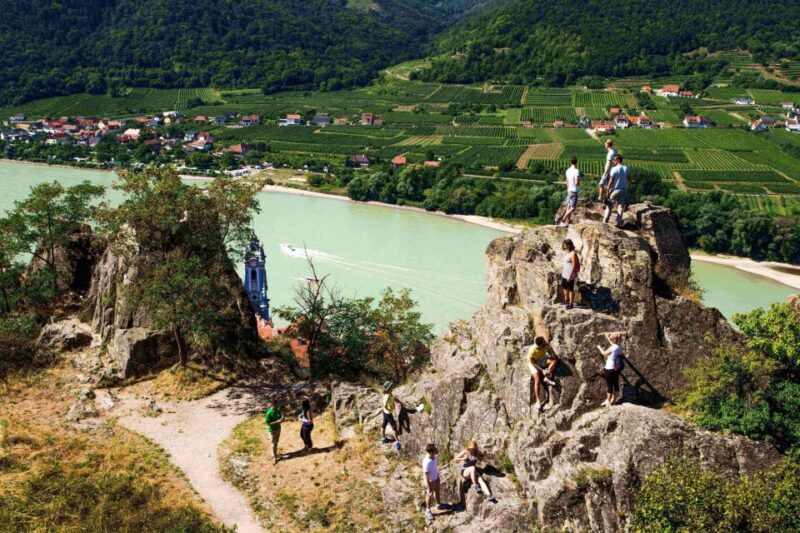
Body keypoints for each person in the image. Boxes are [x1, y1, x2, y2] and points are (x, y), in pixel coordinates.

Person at [527, 336, 559, 412]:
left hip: (542, 359)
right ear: (539, 345)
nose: (545, 343)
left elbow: (554, 356)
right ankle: (538, 401)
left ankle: (547, 378)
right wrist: (542, 370)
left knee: (554, 360)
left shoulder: (545, 345)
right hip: (533, 364)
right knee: (537, 380)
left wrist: (550, 348)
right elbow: (532, 362)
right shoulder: (532, 351)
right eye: (543, 343)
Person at [603, 154, 634, 227]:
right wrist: (632, 182)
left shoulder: (614, 169)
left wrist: (607, 191)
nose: (613, 161)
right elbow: (629, 179)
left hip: (615, 190)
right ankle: (618, 223)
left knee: (609, 205)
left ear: (618, 160)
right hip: (623, 190)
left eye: (614, 160)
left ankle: (605, 222)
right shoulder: (626, 168)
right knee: (620, 206)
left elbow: (611, 181)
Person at [597, 332, 624, 407]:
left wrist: (599, 347)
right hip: (616, 369)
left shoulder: (613, 347)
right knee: (615, 384)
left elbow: (604, 353)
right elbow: (614, 345)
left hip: (609, 368)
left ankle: (608, 401)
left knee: (609, 385)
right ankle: (614, 400)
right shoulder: (619, 347)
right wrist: (608, 338)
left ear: (613, 340)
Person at [422, 443, 443, 522]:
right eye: (435, 449)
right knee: (429, 494)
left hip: (436, 477)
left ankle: (438, 505)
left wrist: (437, 476)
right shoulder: (427, 462)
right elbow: (426, 474)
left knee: (437, 491)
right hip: (430, 480)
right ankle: (427, 510)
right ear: (431, 452)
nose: (437, 450)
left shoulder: (433, 456)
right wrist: (429, 485)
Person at [558, 158, 580, 226]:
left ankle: (567, 223)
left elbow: (567, 182)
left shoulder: (567, 171)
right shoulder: (576, 171)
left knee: (569, 206)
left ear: (570, 162)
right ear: (576, 163)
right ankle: (563, 219)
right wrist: (579, 182)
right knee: (573, 208)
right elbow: (576, 182)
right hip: (574, 190)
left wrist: (568, 189)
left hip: (569, 190)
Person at [561, 239, 580, 309]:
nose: (564, 246)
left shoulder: (573, 253)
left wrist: (570, 275)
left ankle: (571, 303)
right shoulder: (568, 253)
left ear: (569, 245)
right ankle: (566, 300)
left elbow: (573, 264)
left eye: (565, 245)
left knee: (570, 289)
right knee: (564, 287)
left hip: (570, 274)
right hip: (564, 274)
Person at [264, 400, 285, 464]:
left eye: (277, 405)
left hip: (278, 428)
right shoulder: (269, 413)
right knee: (273, 443)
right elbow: (268, 423)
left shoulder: (277, 409)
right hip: (272, 430)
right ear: (272, 405)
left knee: (276, 442)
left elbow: (280, 414)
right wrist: (278, 421)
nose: (277, 406)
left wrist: (282, 417)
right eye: (276, 405)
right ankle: (274, 457)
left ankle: (275, 453)